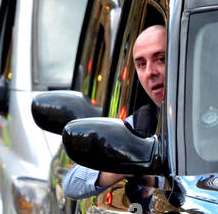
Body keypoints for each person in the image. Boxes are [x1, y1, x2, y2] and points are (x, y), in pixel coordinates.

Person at [64, 23, 165, 200]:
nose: (150, 72)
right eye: (141, 64)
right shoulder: (141, 124)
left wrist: (161, 182)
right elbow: (72, 184)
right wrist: (125, 166)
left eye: (161, 59)